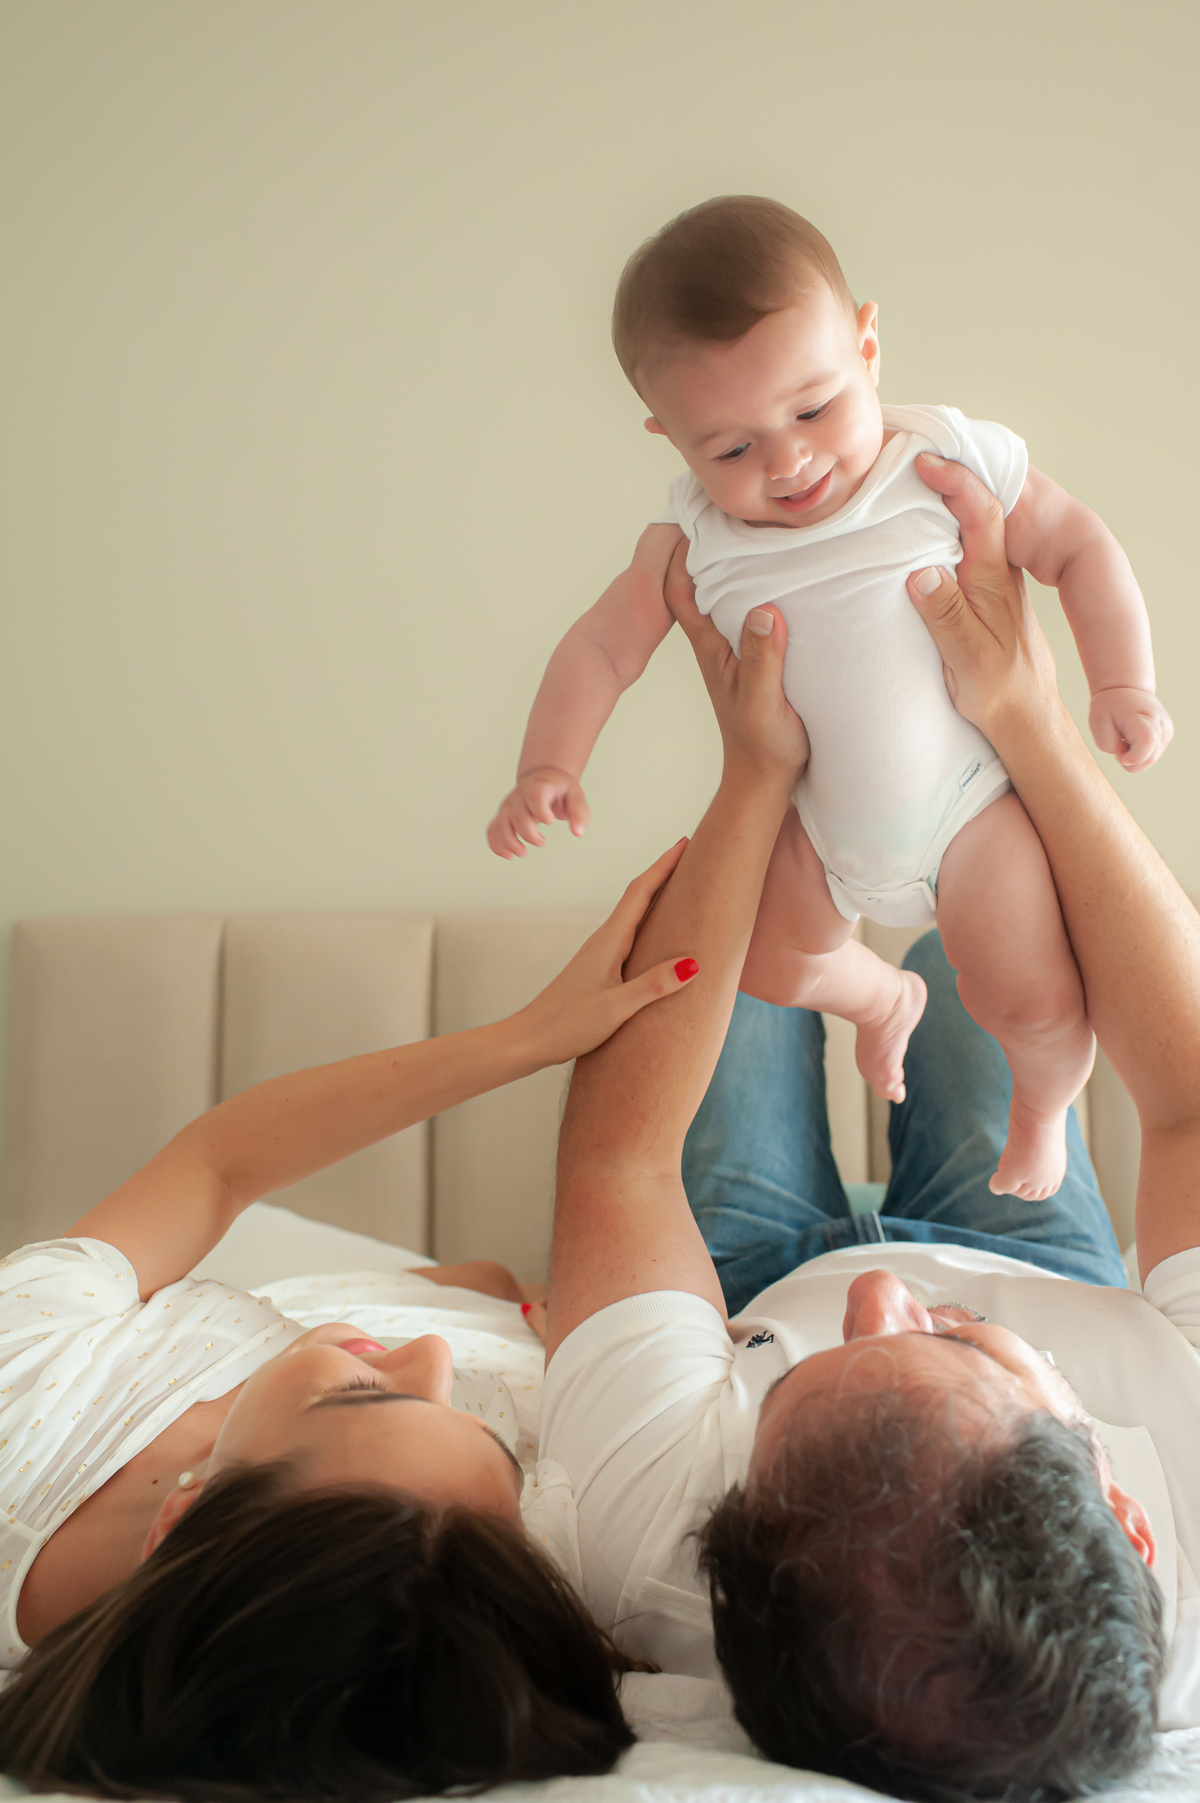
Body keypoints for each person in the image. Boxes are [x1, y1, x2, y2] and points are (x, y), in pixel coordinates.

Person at [539, 457, 1198, 1802]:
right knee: (1005, 957)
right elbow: (1188, 1104)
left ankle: (846, 939)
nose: (888, 1292)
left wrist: (754, 776)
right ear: (1123, 1511)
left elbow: (621, 1156)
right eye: (945, 1340)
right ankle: (921, 926)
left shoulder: (654, 1538)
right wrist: (1028, 720)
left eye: (789, 1402)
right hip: (1049, 1260)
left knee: (765, 942)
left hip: (745, 1275)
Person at [487, 195, 1173, 1203]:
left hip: (971, 810)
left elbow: (1079, 547)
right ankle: (880, 997)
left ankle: (1039, 1110)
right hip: (812, 820)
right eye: (729, 449)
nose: (788, 461)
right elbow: (600, 647)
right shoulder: (688, 543)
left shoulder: (939, 463)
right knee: (766, 964)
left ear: (867, 342)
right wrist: (549, 765)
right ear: (667, 435)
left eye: (813, 410)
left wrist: (1123, 683)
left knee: (1025, 995)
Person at [0, 882, 699, 1800]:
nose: (432, 1359)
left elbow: (216, 1164)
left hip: (502, 1270)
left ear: (185, 1513)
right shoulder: (452, 1604)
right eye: (484, 1437)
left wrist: (529, 1035)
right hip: (659, 1269)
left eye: (364, 1392)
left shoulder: (22, 1394)